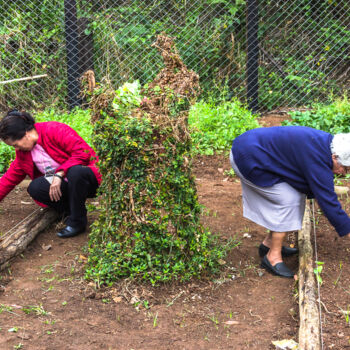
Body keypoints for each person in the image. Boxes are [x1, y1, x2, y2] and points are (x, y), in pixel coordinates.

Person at [230, 125, 350, 278]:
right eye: (344, 168)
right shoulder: (318, 159)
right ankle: (272, 258)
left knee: (294, 194)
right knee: (290, 199)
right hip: (248, 159)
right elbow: (328, 203)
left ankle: (268, 244)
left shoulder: (325, 143)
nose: (342, 173)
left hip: (251, 149)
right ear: (335, 157)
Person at [0, 109, 101, 238]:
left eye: (16, 144)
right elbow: (8, 180)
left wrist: (60, 174)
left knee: (75, 172)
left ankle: (77, 223)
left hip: (87, 180)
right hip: (67, 186)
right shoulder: (23, 154)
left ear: (26, 135)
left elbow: (83, 152)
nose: (17, 149)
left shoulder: (54, 129)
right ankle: (71, 210)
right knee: (35, 188)